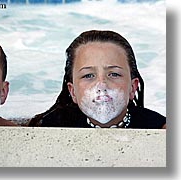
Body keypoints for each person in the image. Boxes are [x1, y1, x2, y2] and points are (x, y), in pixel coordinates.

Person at [28, 30, 166, 129]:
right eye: (88, 75)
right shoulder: (51, 127)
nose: (101, 85)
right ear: (73, 91)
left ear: (132, 87)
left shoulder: (159, 128)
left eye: (114, 74)